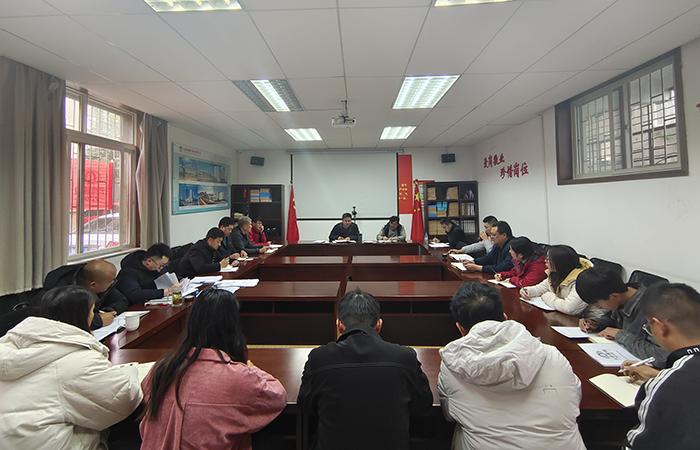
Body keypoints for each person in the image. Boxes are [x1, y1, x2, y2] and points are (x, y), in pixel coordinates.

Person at [438, 282, 586, 450]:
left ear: (461, 329)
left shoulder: (453, 365)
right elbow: (574, 397)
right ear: (505, 317)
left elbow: (449, 414)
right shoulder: (552, 355)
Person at [140, 288, 286, 450]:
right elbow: (278, 396)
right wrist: (251, 368)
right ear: (233, 327)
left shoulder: (162, 369)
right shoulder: (237, 376)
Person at [0, 286, 142, 450]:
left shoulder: (10, 344)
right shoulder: (79, 359)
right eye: (93, 311)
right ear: (82, 316)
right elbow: (122, 399)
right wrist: (132, 371)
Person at [298, 289, 433, 450]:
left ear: (339, 325)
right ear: (379, 325)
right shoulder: (405, 357)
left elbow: (305, 405)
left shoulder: (319, 358)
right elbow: (423, 404)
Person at [621, 283, 700, 450]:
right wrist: (657, 374)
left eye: (648, 327)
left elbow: (637, 444)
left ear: (660, 326)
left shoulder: (668, 386)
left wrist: (661, 380)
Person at [577, 267, 668, 366]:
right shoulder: (621, 297)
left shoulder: (654, 310)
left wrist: (621, 335)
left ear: (613, 296)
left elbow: (663, 356)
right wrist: (596, 323)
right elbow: (613, 320)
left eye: (598, 304)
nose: (598, 307)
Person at [43, 259, 128, 329]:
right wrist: (98, 320)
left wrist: (108, 312)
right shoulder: (63, 293)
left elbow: (122, 300)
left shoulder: (101, 281)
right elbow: (66, 322)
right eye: (111, 281)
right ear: (93, 285)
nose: (113, 282)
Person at [520, 245, 592, 316]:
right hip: (559, 315)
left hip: (579, 319)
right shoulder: (556, 273)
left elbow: (569, 308)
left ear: (560, 263)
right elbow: (543, 287)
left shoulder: (581, 280)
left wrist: (547, 296)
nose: (545, 261)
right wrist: (527, 291)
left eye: (548, 259)